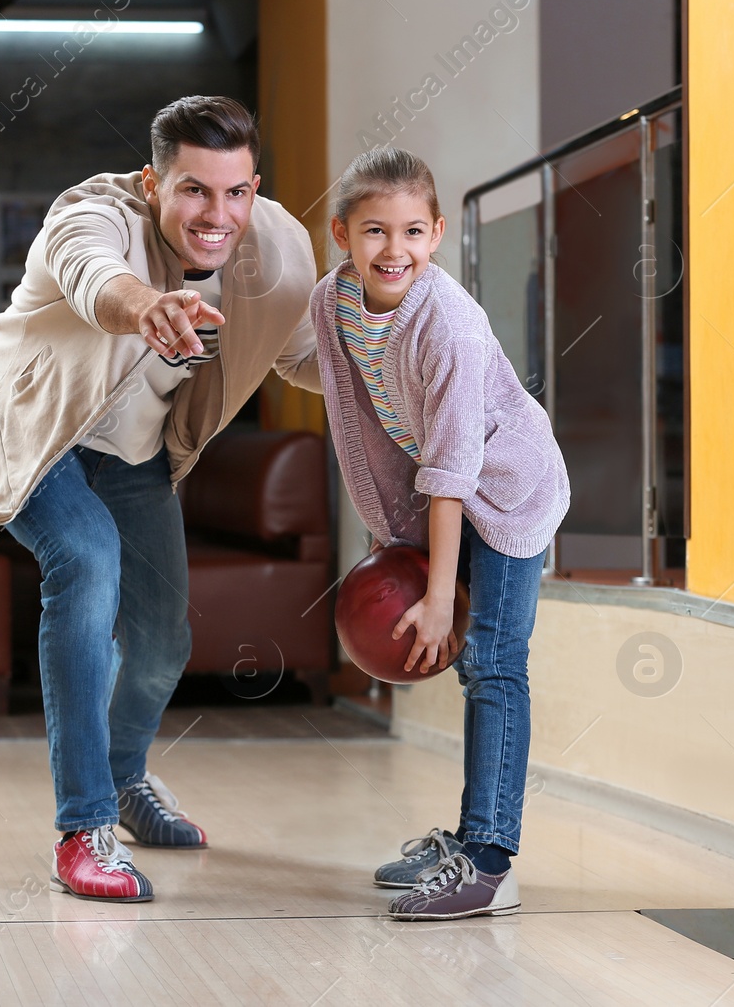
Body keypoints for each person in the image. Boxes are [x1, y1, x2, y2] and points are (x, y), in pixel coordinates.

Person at [0, 96, 322, 903]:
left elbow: (306, 356)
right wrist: (147, 307)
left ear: (255, 188)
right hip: (20, 423)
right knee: (85, 559)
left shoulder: (280, 250)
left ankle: (124, 779)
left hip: (132, 452)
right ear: (153, 183)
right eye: (193, 191)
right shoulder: (90, 214)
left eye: (235, 193)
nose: (215, 215)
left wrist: (407, 368)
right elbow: (95, 277)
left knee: (161, 638)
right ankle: (85, 829)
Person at [310, 147, 569, 921]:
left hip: (509, 493)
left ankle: (488, 862)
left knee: (492, 663)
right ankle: (466, 836)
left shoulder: (450, 324)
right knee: (479, 667)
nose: (395, 251)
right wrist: (388, 536)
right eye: (375, 232)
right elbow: (355, 419)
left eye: (413, 232)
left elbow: (454, 471)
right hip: (440, 498)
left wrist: (432, 593)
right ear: (341, 235)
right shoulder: (333, 302)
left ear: (438, 232)